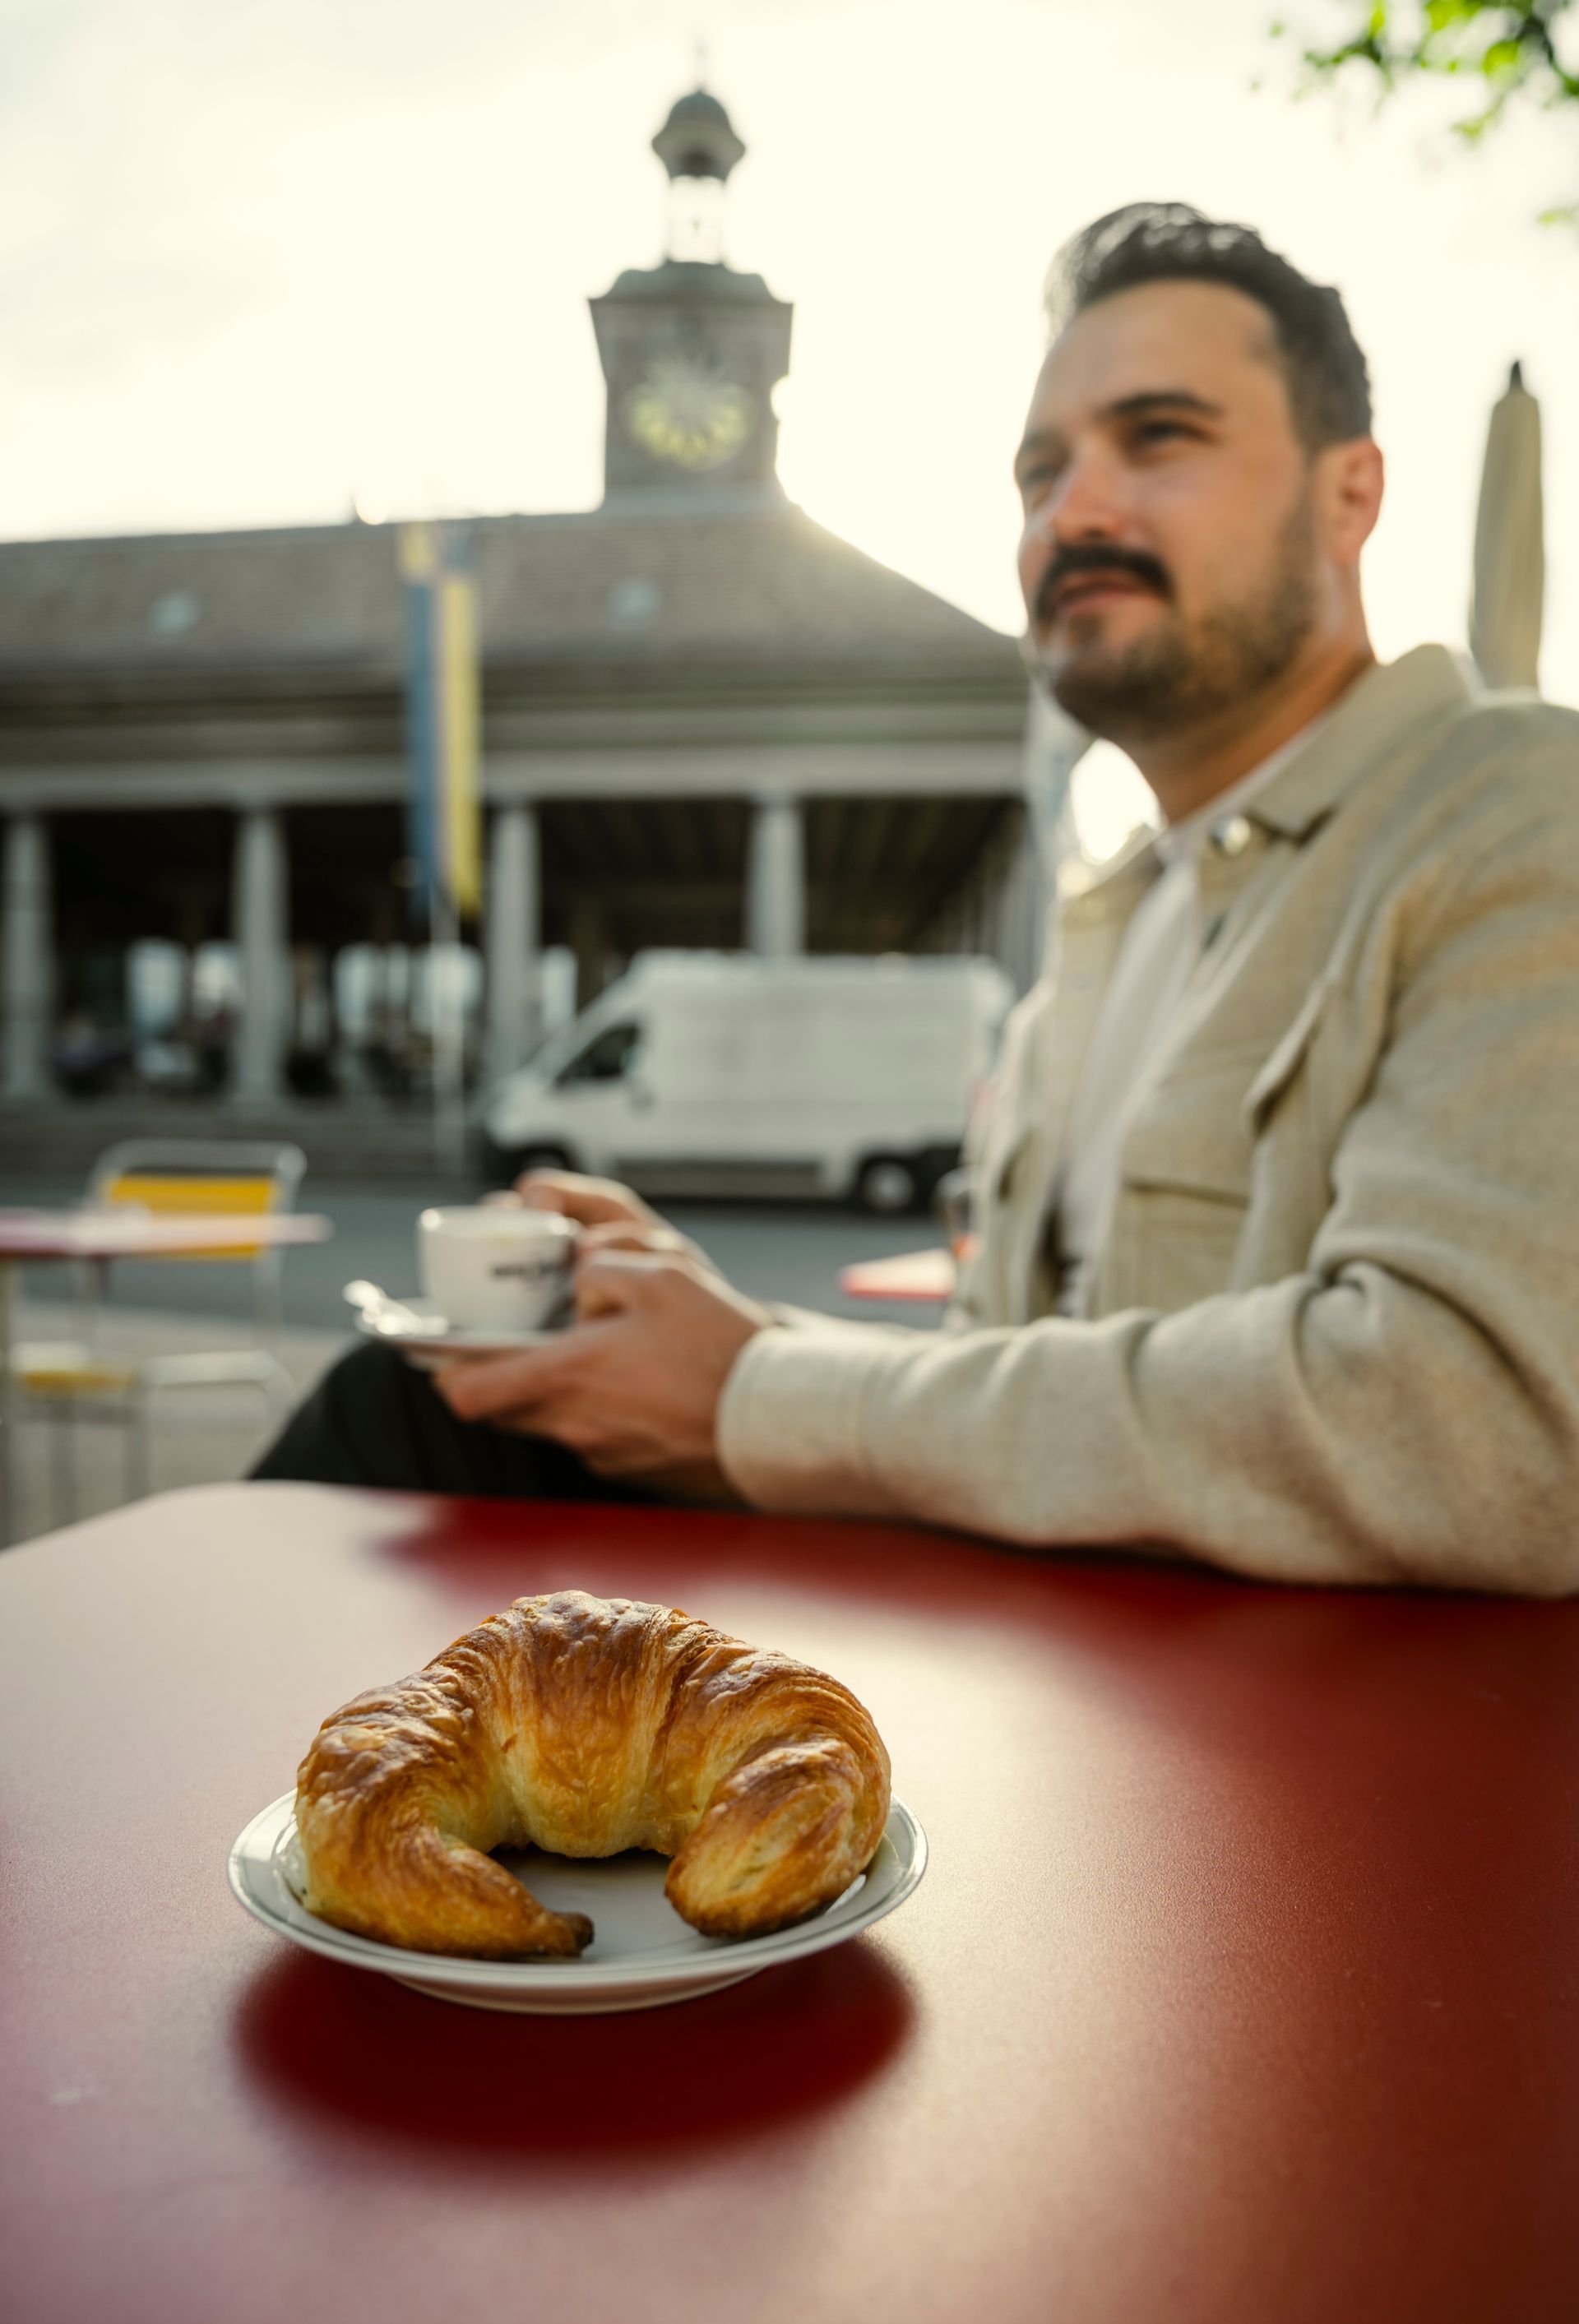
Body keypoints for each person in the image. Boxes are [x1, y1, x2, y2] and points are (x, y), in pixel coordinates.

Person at [257, 202, 1579, 1596]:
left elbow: (1476, 1425)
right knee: (427, 1396)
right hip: (1034, 1643)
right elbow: (1006, 1399)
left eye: (1162, 437)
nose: (1076, 509)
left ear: (1350, 492)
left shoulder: (1512, 810)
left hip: (1262, 1754)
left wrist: (760, 1391)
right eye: (1038, 471)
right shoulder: (1106, 933)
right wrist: (706, 1348)